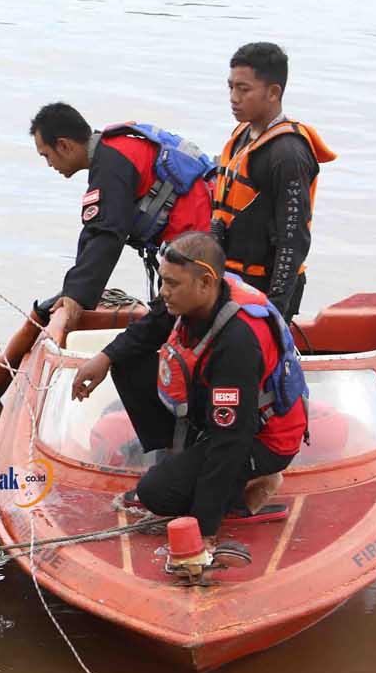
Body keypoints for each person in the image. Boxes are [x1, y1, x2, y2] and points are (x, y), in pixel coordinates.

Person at [71, 232, 308, 557]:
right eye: (163, 281)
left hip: (260, 438)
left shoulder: (237, 343)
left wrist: (203, 531)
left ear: (206, 283)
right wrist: (103, 358)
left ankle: (250, 489)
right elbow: (149, 328)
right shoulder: (195, 297)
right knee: (127, 361)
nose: (163, 292)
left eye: (171, 284)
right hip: (220, 416)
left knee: (156, 494)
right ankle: (180, 459)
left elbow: (231, 441)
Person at [0, 103, 215, 404]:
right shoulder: (117, 151)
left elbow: (106, 235)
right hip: (200, 246)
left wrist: (76, 299)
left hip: (197, 253)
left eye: (46, 155)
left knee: (152, 343)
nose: (49, 164)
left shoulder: (112, 163)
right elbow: (95, 230)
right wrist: (75, 288)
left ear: (64, 145)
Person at [210, 42, 337, 320]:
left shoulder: (288, 154)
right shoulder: (242, 134)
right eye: (230, 87)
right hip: (232, 278)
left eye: (243, 89)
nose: (233, 97)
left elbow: (293, 239)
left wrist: (274, 309)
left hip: (264, 288)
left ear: (273, 93)